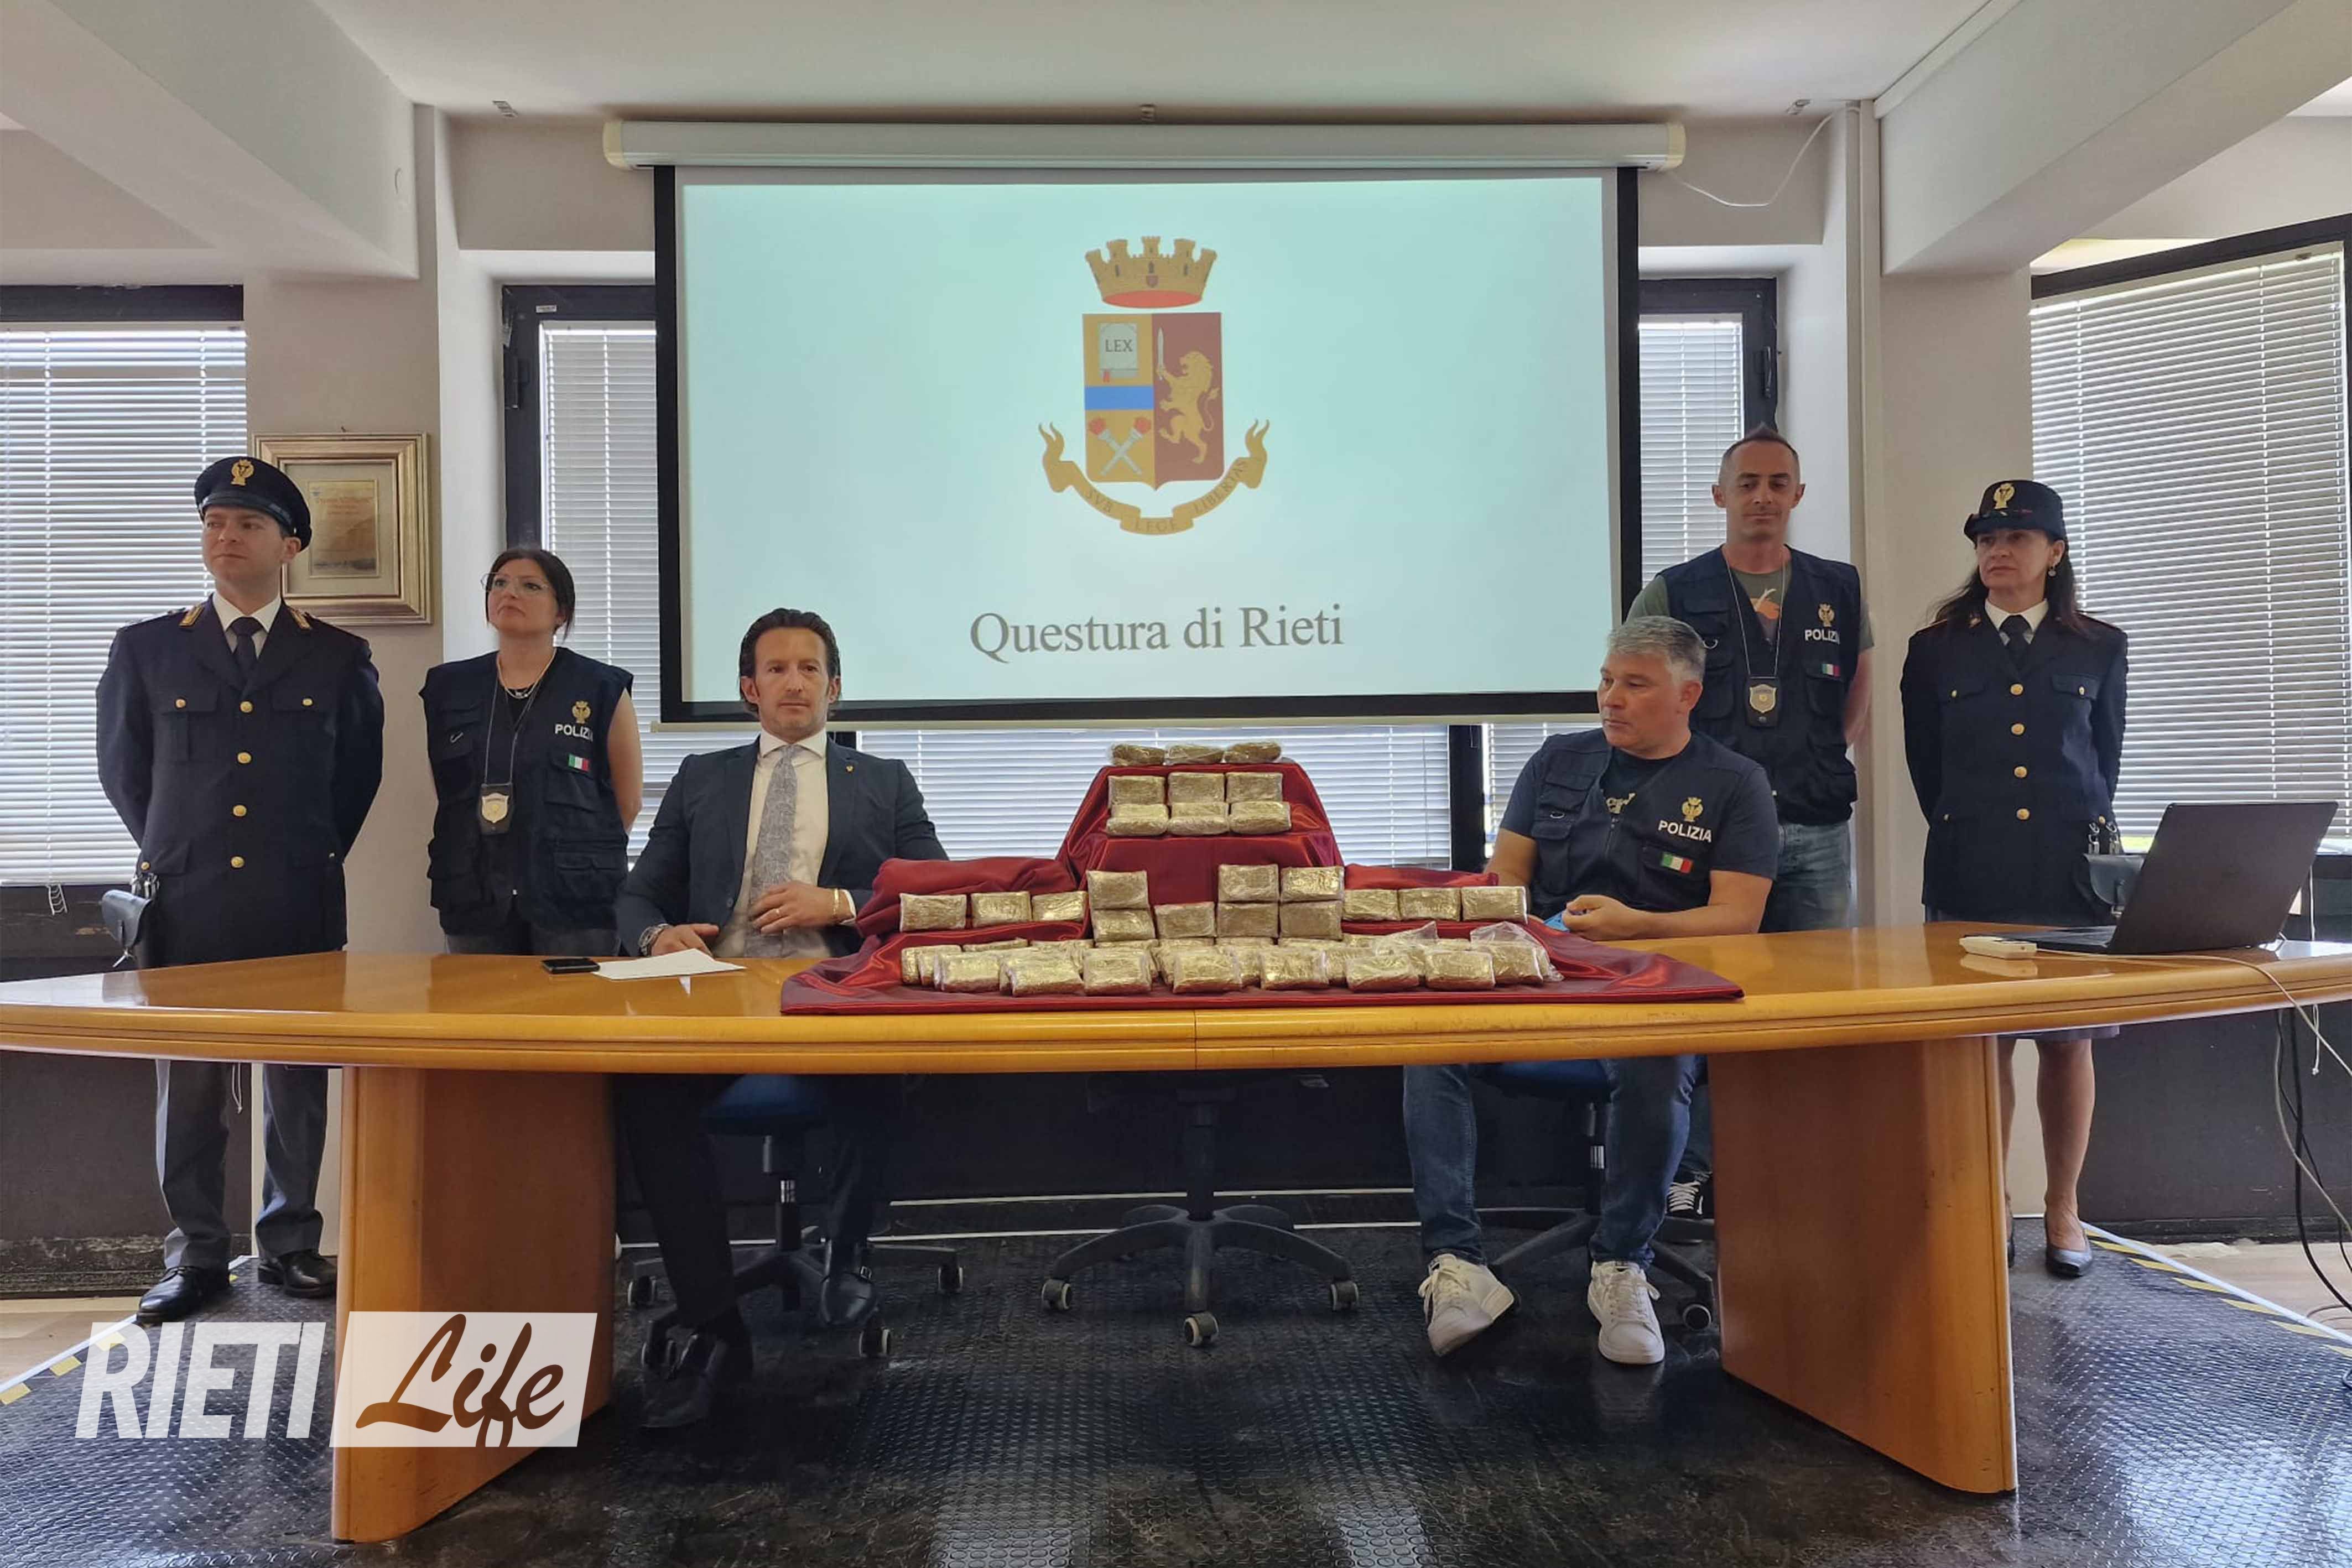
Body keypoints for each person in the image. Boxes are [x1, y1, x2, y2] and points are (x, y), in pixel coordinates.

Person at [1403, 617, 1776, 1365]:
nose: (1611, 698)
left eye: (1635, 685)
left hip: (1657, 989)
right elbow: (1505, 880)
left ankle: (1622, 1264)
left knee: (1658, 1060)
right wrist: (1526, 933)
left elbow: (1739, 917)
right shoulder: (1557, 759)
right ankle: (1457, 1263)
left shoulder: (1735, 781)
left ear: (1688, 695)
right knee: (1427, 1041)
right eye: (1607, 681)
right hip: (1546, 980)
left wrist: (1637, 926)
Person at [611, 607, 945, 1429]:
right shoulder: (703, 777)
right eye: (776, 668)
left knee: (874, 1072)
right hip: (721, 994)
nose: (794, 682)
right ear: (748, 689)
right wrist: (657, 935)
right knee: (645, 1095)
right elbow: (638, 892)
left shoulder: (885, 781)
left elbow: (935, 892)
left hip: (836, 990)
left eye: (809, 669)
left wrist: (840, 902)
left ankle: (848, 1249)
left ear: (834, 688)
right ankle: (716, 1326)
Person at [96, 455, 385, 1325]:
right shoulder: (148, 647)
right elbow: (125, 773)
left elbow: (354, 781)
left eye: (249, 524)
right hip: (185, 903)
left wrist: (299, 855)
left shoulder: (337, 655)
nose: (227, 537)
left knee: (297, 1082)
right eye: (215, 522)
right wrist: (179, 847)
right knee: (187, 1086)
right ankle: (195, 1254)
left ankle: (290, 1239)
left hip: (296, 898)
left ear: (289, 545)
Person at [1628, 427, 1871, 1217]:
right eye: (1747, 483)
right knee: (1705, 1006)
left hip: (1814, 830)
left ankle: (1801, 1172)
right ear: (1720, 496)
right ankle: (1694, 1172)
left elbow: (1855, 698)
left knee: (1813, 1006)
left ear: (1798, 495)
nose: (1762, 497)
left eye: (1777, 483)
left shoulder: (1838, 588)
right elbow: (1639, 696)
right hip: (1707, 841)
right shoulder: (1673, 592)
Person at [1900, 479, 2126, 1279]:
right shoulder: (1936, 649)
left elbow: (2103, 762)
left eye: (2017, 538)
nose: (1998, 551)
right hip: (1973, 867)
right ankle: (1990, 1203)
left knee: (2069, 1043)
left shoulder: (2099, 645)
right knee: (1982, 1042)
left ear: (2054, 551)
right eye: (1986, 539)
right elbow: (1927, 769)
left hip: (2069, 875)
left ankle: (2063, 1206)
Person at [420, 548, 642, 955]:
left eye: (531, 586)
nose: (510, 593)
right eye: (499, 583)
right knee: (475, 996)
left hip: (574, 894)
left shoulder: (600, 687)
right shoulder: (449, 687)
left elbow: (628, 802)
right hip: (473, 889)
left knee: (573, 997)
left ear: (562, 612)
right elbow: (448, 789)